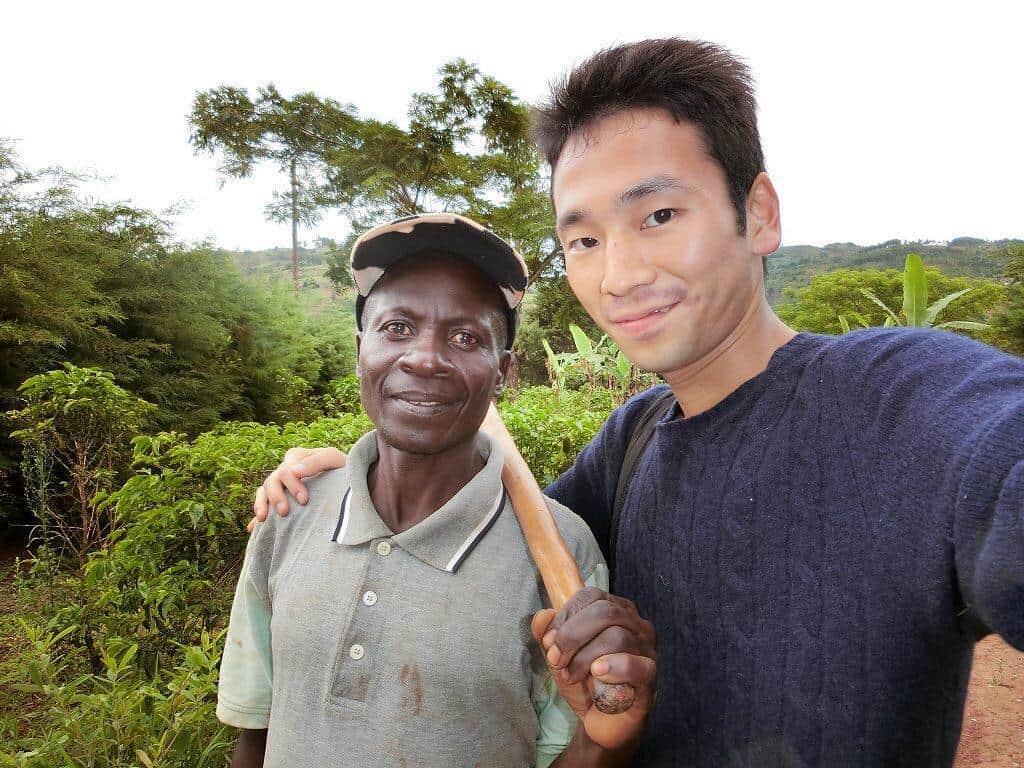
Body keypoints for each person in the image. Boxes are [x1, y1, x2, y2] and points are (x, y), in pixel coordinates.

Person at [251, 40, 1024, 767]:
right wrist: (346, 478)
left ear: (758, 213)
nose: (618, 275)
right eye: (583, 240)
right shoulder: (633, 444)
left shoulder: (902, 401)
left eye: (658, 216)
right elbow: (487, 541)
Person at [218, 213, 657, 768]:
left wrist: (603, 740)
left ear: (502, 372)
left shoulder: (564, 557)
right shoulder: (290, 511)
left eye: (464, 337)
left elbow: (580, 742)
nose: (424, 357)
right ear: (361, 350)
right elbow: (254, 733)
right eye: (397, 328)